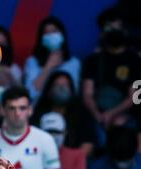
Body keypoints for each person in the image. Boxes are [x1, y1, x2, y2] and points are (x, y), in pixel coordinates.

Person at [82, 7, 141, 149]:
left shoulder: (135, 61)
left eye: (118, 27)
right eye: (110, 27)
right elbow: (87, 95)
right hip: (97, 114)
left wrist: (112, 114)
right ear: (103, 32)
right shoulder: (93, 60)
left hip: (124, 115)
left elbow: (134, 98)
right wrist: (98, 115)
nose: (114, 31)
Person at [32, 71, 96, 158]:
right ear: (49, 89)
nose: (61, 88)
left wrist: (70, 161)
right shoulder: (38, 113)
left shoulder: (81, 113)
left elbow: (88, 145)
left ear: (71, 89)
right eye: (57, 85)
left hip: (72, 162)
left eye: (65, 85)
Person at [24, 16, 81, 103]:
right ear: (41, 39)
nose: (51, 35)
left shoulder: (74, 62)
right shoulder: (32, 62)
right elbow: (31, 93)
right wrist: (49, 66)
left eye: (54, 31)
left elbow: (74, 92)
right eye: (46, 33)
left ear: (62, 35)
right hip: (39, 110)